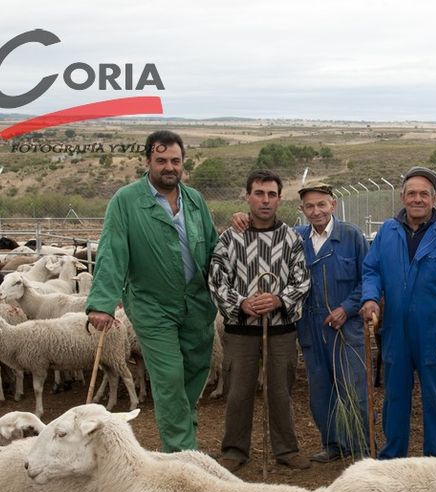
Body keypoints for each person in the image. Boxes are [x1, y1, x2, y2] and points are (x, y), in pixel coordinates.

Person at [86, 130, 218, 452]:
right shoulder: (127, 201)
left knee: (194, 373)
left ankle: (185, 436)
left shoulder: (195, 200)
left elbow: (215, 249)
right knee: (169, 377)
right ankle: (180, 454)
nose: (169, 167)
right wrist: (102, 302)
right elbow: (112, 250)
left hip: (196, 303)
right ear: (147, 161)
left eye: (175, 160)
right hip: (152, 304)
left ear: (183, 163)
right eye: (161, 160)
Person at [359, 166, 436, 458]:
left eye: (424, 194)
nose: (417, 199)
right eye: (411, 193)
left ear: (434, 198)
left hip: (435, 334)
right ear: (403, 196)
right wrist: (370, 298)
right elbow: (371, 269)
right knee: (394, 398)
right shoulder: (387, 232)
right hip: (394, 331)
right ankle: (392, 458)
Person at [208, 170, 310, 471]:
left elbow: (302, 280)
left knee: (281, 390)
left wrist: (279, 299)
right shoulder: (231, 237)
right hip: (241, 329)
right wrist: (242, 303)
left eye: (271, 195)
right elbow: (216, 279)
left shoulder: (290, 238)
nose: (265, 200)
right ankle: (234, 450)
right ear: (247, 196)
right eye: (259, 193)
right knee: (238, 391)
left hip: (281, 329)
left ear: (279, 198)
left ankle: (286, 449)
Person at [295, 182, 370, 462]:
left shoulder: (350, 236)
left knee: (353, 387)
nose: (316, 211)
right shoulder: (296, 238)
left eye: (321, 205)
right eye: (310, 207)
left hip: (345, 325)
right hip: (310, 325)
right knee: (320, 389)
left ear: (333, 205)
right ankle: (333, 444)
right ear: (302, 210)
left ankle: (361, 446)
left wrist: (348, 308)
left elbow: (369, 278)